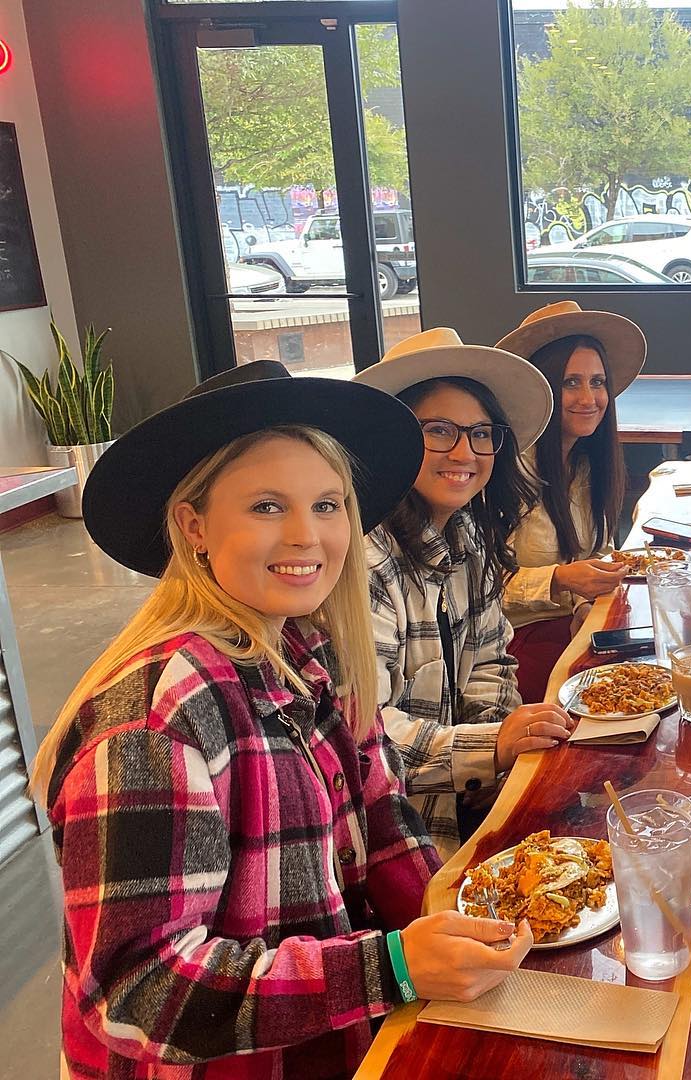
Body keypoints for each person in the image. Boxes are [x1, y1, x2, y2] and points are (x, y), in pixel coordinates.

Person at [39, 362, 533, 1079]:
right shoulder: (154, 722)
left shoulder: (312, 651)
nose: (308, 536)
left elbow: (381, 813)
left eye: (328, 505)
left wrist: (459, 913)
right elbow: (139, 993)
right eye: (268, 506)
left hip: (335, 1047)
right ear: (194, 525)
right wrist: (390, 966)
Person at [355, 328, 576, 858]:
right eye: (438, 431)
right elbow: (365, 737)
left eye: (481, 433)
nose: (465, 451)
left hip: (465, 814)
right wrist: (488, 749)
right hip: (394, 842)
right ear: (392, 438)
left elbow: (492, 663)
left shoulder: (468, 537)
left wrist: (490, 770)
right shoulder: (364, 560)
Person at [496, 301, 645, 702]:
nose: (589, 397)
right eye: (570, 382)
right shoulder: (503, 471)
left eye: (598, 382)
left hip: (574, 628)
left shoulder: (587, 463)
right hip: (513, 645)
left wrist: (582, 606)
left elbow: (594, 554)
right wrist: (560, 580)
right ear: (540, 389)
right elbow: (479, 588)